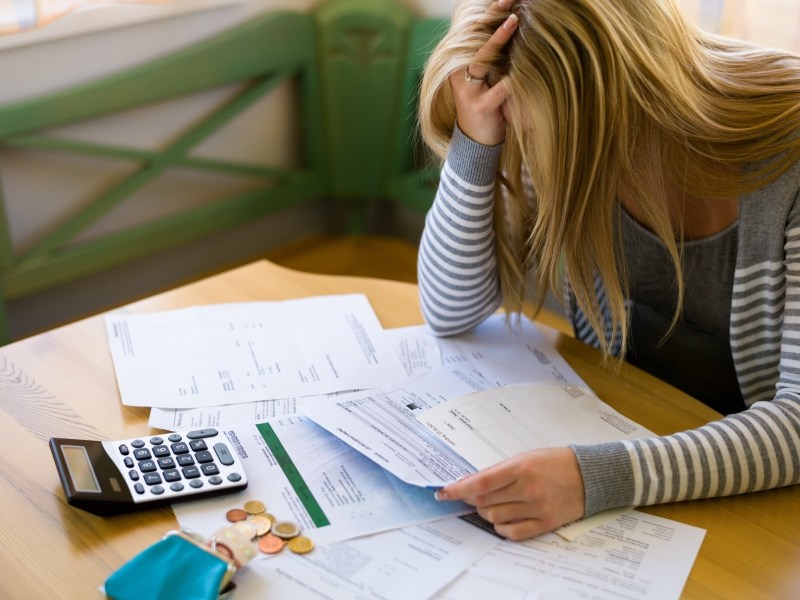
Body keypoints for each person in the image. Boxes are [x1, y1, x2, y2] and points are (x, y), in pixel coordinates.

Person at [418, 0, 800, 541]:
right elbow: (448, 308)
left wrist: (594, 477)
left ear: (619, 103)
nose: (525, 147)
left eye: (526, 128)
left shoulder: (790, 150)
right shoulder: (552, 127)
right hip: (644, 433)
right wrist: (477, 143)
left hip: (761, 494)